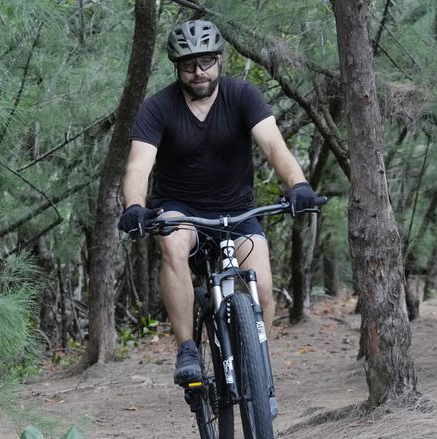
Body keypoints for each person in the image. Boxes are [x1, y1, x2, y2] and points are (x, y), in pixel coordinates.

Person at [117, 20, 318, 386]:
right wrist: (134, 205)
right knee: (173, 243)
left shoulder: (243, 97)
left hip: (238, 213)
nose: (199, 72)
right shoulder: (157, 108)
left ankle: (257, 373)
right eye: (189, 64)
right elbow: (138, 165)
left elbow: (274, 146)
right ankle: (188, 350)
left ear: (220, 60)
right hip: (182, 210)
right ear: (177, 66)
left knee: (263, 288)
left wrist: (298, 184)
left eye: (206, 61)